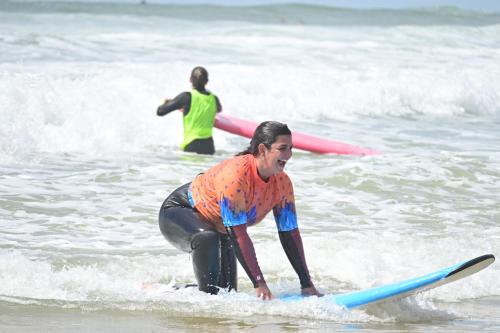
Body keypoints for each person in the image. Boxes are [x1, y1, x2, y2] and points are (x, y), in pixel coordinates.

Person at [158, 121, 322, 300]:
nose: (289, 155)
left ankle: (172, 290)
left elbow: (289, 234)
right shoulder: (236, 176)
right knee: (209, 250)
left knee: (226, 293)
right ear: (262, 149)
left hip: (221, 226)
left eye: (291, 148)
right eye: (283, 148)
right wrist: (260, 284)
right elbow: (239, 235)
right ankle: (172, 293)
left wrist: (307, 284)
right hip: (180, 211)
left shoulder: (282, 183)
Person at [157, 66, 222, 155]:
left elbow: (160, 111)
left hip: (192, 145)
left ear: (190, 80)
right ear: (207, 81)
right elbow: (218, 109)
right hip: (209, 147)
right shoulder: (214, 99)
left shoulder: (186, 97)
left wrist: (167, 103)